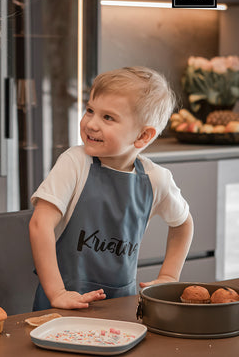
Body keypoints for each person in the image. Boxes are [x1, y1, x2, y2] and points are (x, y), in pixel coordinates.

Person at [29, 66, 194, 311]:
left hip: (121, 306)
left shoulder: (156, 179)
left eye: (108, 117)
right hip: (62, 306)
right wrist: (58, 293)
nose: (91, 123)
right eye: (90, 110)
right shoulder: (75, 162)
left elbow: (183, 224)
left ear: (143, 136)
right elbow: (39, 224)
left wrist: (169, 276)